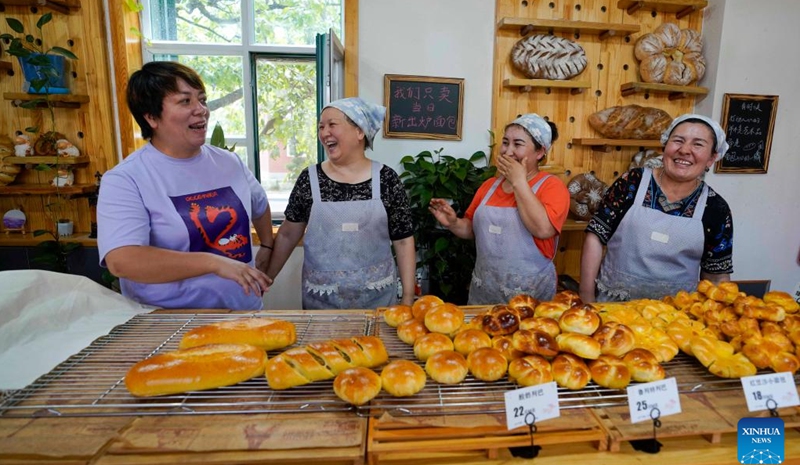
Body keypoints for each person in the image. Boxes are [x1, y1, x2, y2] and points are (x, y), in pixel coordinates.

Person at [98, 61, 273, 310]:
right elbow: (123, 260)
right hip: (170, 324)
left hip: (243, 314)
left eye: (201, 99)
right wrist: (214, 263)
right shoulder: (126, 179)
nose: (201, 110)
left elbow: (259, 204)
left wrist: (266, 244)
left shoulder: (229, 162)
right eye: (185, 101)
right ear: (151, 117)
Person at [265, 97, 416, 309]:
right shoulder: (309, 180)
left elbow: (403, 240)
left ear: (360, 132)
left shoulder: (386, 179)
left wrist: (408, 297)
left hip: (377, 301)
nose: (325, 132)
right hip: (321, 301)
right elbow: (288, 234)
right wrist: (267, 277)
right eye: (321, 126)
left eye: (332, 125)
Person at [579, 114, 734, 303]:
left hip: (676, 318)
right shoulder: (632, 183)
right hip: (614, 308)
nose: (685, 150)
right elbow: (596, 236)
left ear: (712, 158)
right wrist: (586, 296)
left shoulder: (716, 209)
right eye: (678, 140)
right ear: (665, 146)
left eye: (698, 144)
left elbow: (716, 276)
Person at [429, 114, 570, 304]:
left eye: (517, 144)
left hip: (529, 297)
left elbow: (543, 229)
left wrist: (519, 181)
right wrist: (454, 223)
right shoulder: (489, 186)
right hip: (485, 292)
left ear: (539, 152)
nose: (508, 151)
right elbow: (472, 229)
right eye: (505, 143)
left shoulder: (552, 187)